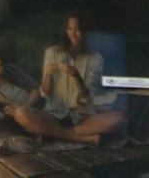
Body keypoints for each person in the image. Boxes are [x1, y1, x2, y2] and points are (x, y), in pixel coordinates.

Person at [39, 13, 125, 144]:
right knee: (22, 114)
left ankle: (57, 133)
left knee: (119, 118)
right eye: (69, 29)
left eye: (77, 30)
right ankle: (79, 136)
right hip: (54, 114)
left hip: (82, 117)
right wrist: (48, 74)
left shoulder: (96, 59)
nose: (73, 34)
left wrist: (77, 77)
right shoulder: (52, 53)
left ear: (86, 32)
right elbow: (45, 93)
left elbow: (87, 97)